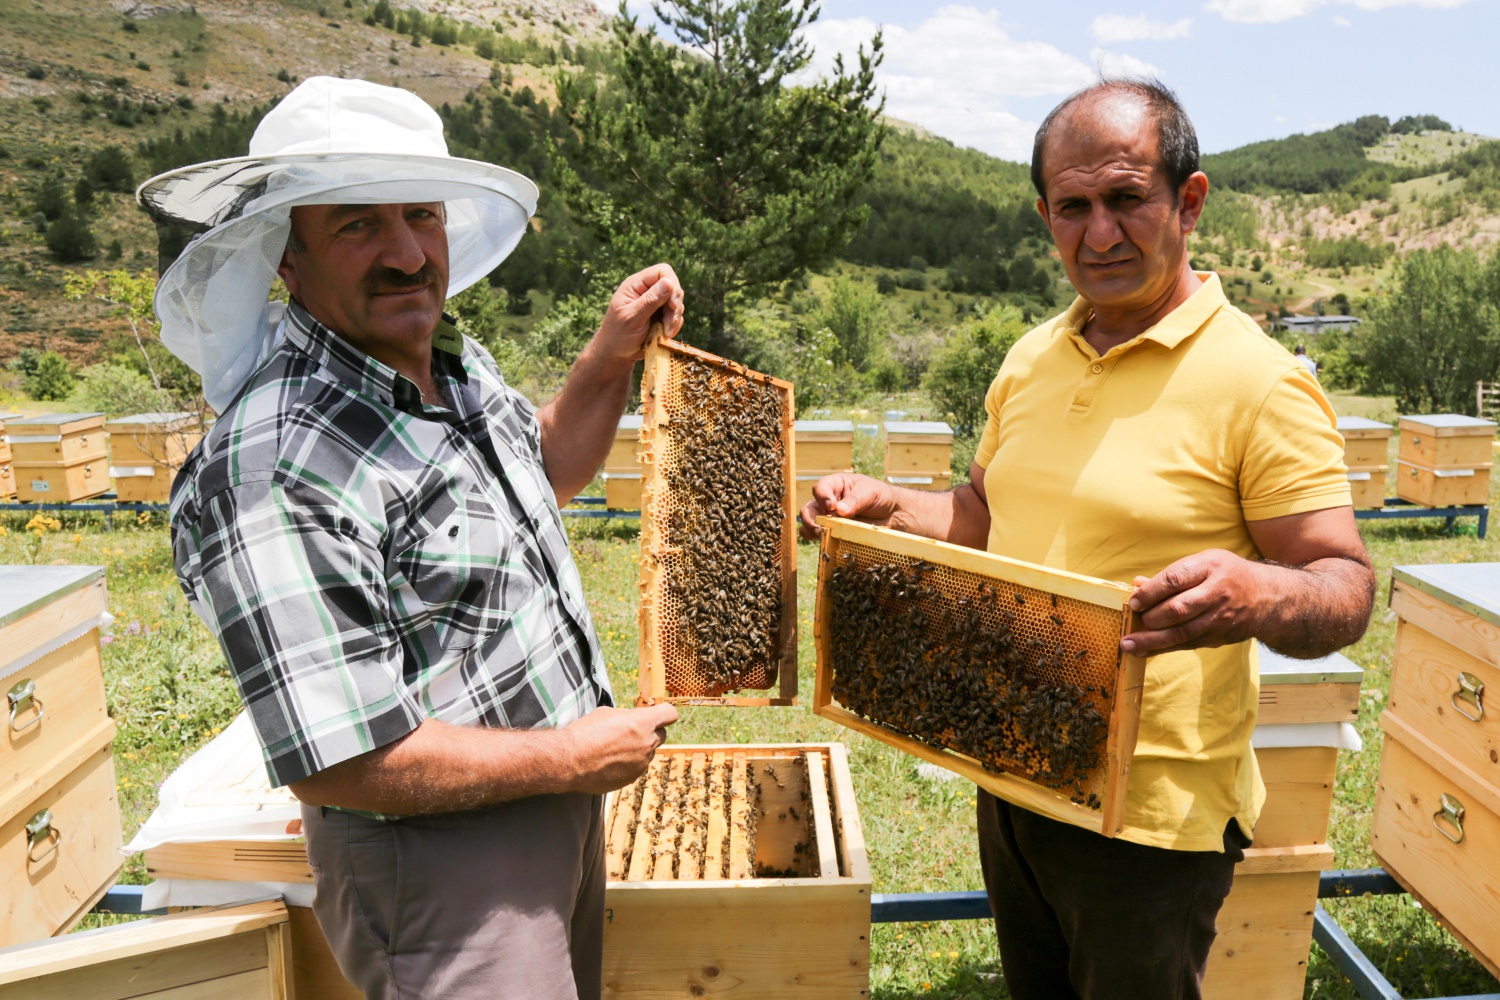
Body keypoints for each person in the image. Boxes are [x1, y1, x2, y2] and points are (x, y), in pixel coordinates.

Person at [801, 79, 1374, 1000]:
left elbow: (1344, 583)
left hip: (1151, 821)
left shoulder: (1259, 381)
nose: (1098, 232)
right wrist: (887, 505)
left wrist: (1261, 592)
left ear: (1188, 201)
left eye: (1125, 198)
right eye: (1072, 206)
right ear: (1045, 217)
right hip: (1015, 765)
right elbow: (986, 516)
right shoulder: (1030, 358)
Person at [147, 77, 680, 1000]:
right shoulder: (275, 463)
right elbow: (341, 759)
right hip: (443, 865)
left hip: (550, 803)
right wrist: (572, 756)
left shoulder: (447, 368)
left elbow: (543, 470)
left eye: (420, 215)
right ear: (287, 255)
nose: (404, 253)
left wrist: (608, 358)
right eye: (357, 224)